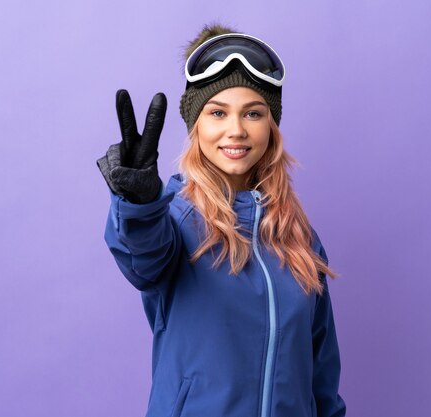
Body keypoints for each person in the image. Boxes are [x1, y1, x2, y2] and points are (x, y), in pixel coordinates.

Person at [96, 24, 346, 417]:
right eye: (218, 112)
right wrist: (140, 205)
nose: (236, 130)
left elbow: (322, 375)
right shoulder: (174, 219)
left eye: (253, 113)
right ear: (197, 126)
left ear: (271, 126)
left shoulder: (299, 238)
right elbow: (143, 257)